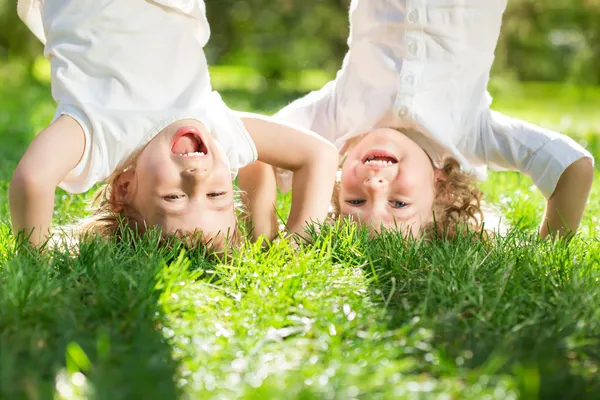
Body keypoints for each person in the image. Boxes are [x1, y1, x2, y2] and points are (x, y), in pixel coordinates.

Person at [249, 0, 594, 239]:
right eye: (398, 204)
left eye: (355, 202)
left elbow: (252, 147)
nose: (373, 187)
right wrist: (548, 249)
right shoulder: (471, 133)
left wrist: (265, 233)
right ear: (441, 187)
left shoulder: (338, 115)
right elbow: (572, 165)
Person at [10, 0, 339, 249]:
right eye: (216, 193)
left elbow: (33, 179)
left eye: (174, 198)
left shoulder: (104, 135)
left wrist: (36, 256)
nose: (197, 177)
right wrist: (295, 247)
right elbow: (318, 155)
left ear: (124, 188)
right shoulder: (213, 128)